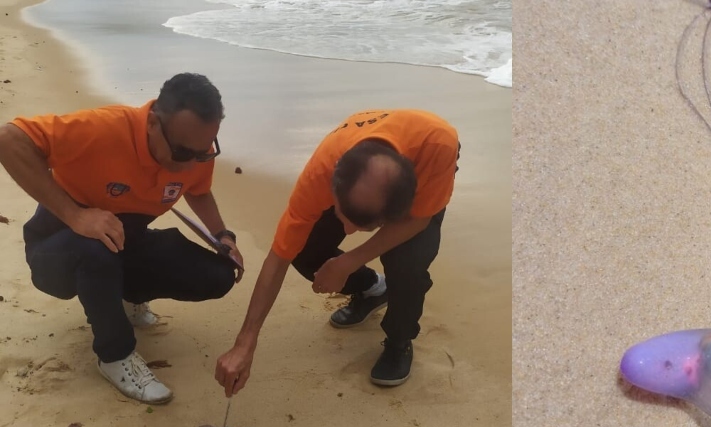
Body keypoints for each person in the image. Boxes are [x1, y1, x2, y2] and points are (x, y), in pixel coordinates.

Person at [0, 73, 243, 405]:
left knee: (216, 275)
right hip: (56, 251)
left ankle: (126, 299)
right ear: (153, 124)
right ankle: (115, 356)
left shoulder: (193, 149)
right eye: (185, 154)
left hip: (123, 240)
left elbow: (198, 190)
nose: (191, 165)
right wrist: (75, 215)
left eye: (205, 152)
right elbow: (9, 139)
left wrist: (223, 237)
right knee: (95, 246)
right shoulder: (103, 129)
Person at [215, 109, 459, 394]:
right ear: (332, 191)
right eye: (345, 218)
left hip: (425, 159)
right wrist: (246, 342)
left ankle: (399, 341)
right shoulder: (320, 174)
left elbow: (417, 220)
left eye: (367, 226)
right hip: (351, 164)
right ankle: (371, 290)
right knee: (304, 249)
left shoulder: (438, 146)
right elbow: (278, 258)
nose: (350, 232)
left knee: (407, 264)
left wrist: (349, 261)